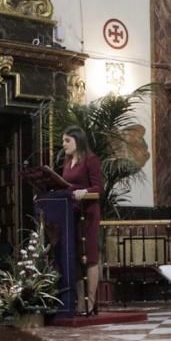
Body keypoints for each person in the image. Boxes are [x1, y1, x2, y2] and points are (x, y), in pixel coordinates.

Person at [60, 125, 103, 313]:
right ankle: (80, 301)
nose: (64, 145)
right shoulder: (67, 161)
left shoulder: (90, 159)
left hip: (88, 213)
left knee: (90, 256)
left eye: (67, 140)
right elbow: (65, 184)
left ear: (78, 141)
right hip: (72, 212)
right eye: (63, 141)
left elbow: (99, 187)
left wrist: (85, 191)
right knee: (76, 257)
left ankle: (91, 301)